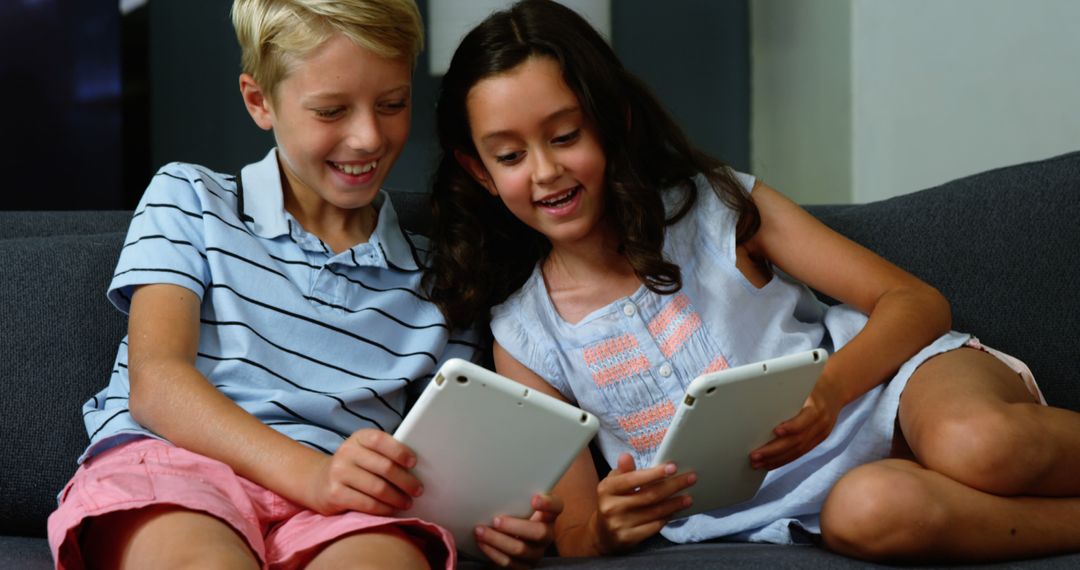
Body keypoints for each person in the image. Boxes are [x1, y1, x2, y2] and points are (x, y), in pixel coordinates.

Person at [424, 0, 1080, 562]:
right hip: (832, 501)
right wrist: (606, 524)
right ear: (480, 172)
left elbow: (914, 302)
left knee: (978, 444)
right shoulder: (527, 334)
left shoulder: (716, 206)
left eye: (565, 135)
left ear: (614, 121)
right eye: (509, 156)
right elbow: (574, 528)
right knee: (872, 513)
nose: (543, 172)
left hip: (893, 390)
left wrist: (827, 394)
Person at [46, 1, 561, 568]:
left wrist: (490, 524)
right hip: (179, 467)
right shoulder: (190, 199)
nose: (367, 137)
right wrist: (311, 473)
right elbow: (157, 384)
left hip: (346, 508)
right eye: (331, 110)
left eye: (392, 104)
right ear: (259, 101)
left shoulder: (445, 278)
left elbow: (436, 472)